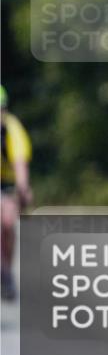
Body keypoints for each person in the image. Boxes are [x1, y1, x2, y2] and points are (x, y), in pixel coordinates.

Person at [1, 85, 33, 301]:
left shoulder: (12, 129)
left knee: (7, 223)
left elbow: (20, 164)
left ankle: (6, 272)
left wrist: (23, 189)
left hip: (6, 182)